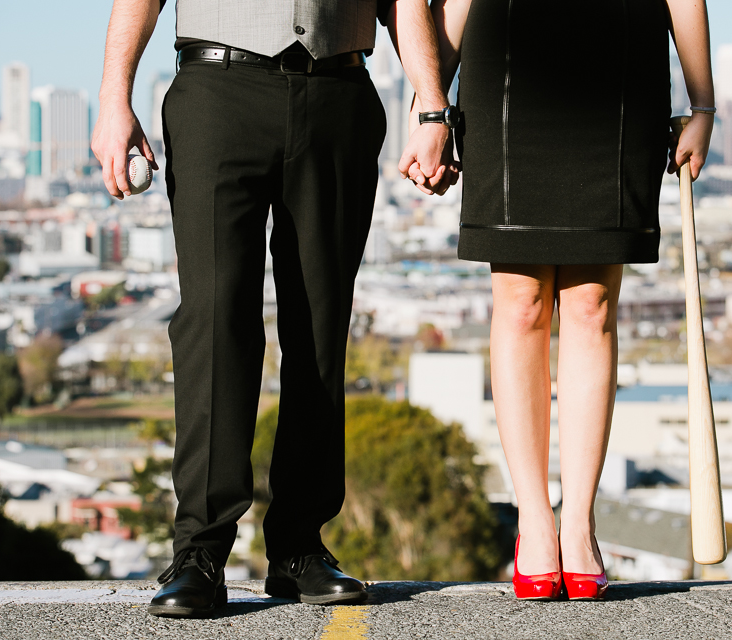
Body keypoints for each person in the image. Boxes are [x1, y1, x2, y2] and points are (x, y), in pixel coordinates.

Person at [92, 0, 453, 618]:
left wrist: (431, 104)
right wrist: (112, 98)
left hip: (339, 93)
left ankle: (299, 549)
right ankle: (199, 553)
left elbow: (404, 2)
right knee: (214, 321)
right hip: (215, 92)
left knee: (319, 323)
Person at [415, 0, 715, 599]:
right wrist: (431, 109)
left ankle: (579, 522)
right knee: (521, 301)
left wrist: (702, 103)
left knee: (591, 303)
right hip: (505, 65)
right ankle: (534, 520)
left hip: (620, 70)